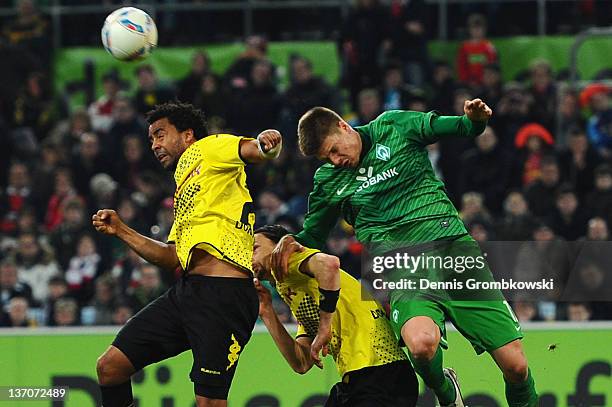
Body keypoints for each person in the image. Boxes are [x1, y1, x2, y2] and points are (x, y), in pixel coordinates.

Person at [271, 100, 538, 407]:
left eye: (334, 150)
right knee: (421, 345)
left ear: (344, 127)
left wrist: (476, 120)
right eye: (326, 158)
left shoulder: (394, 126)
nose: (335, 160)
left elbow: (462, 127)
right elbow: (313, 236)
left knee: (516, 367)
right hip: (405, 266)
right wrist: (291, 240)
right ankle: (447, 395)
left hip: (454, 251)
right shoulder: (328, 181)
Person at [92, 102, 283, 407]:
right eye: (151, 139)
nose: (154, 144)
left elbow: (254, 150)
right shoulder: (185, 188)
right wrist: (121, 230)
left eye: (160, 134)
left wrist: (267, 144)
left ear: (187, 135)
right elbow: (172, 258)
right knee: (110, 367)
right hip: (187, 293)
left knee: (209, 403)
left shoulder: (209, 149)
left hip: (225, 296)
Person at [252, 225, 418, 406]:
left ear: (278, 247)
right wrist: (267, 311)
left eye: (254, 248)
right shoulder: (294, 288)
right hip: (361, 379)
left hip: (381, 372)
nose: (248, 256)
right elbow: (301, 362)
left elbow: (329, 264)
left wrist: (324, 327)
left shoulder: (289, 260)